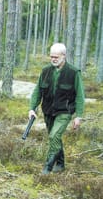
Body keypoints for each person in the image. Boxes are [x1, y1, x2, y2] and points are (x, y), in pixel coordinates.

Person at [29, 43, 85, 174]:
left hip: (64, 112)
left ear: (64, 56)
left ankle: (47, 167)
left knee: (54, 136)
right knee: (55, 138)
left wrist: (78, 116)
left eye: (56, 57)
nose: (53, 59)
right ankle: (60, 164)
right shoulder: (45, 71)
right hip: (48, 111)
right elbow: (37, 91)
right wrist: (32, 108)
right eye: (51, 57)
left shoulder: (73, 72)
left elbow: (80, 96)